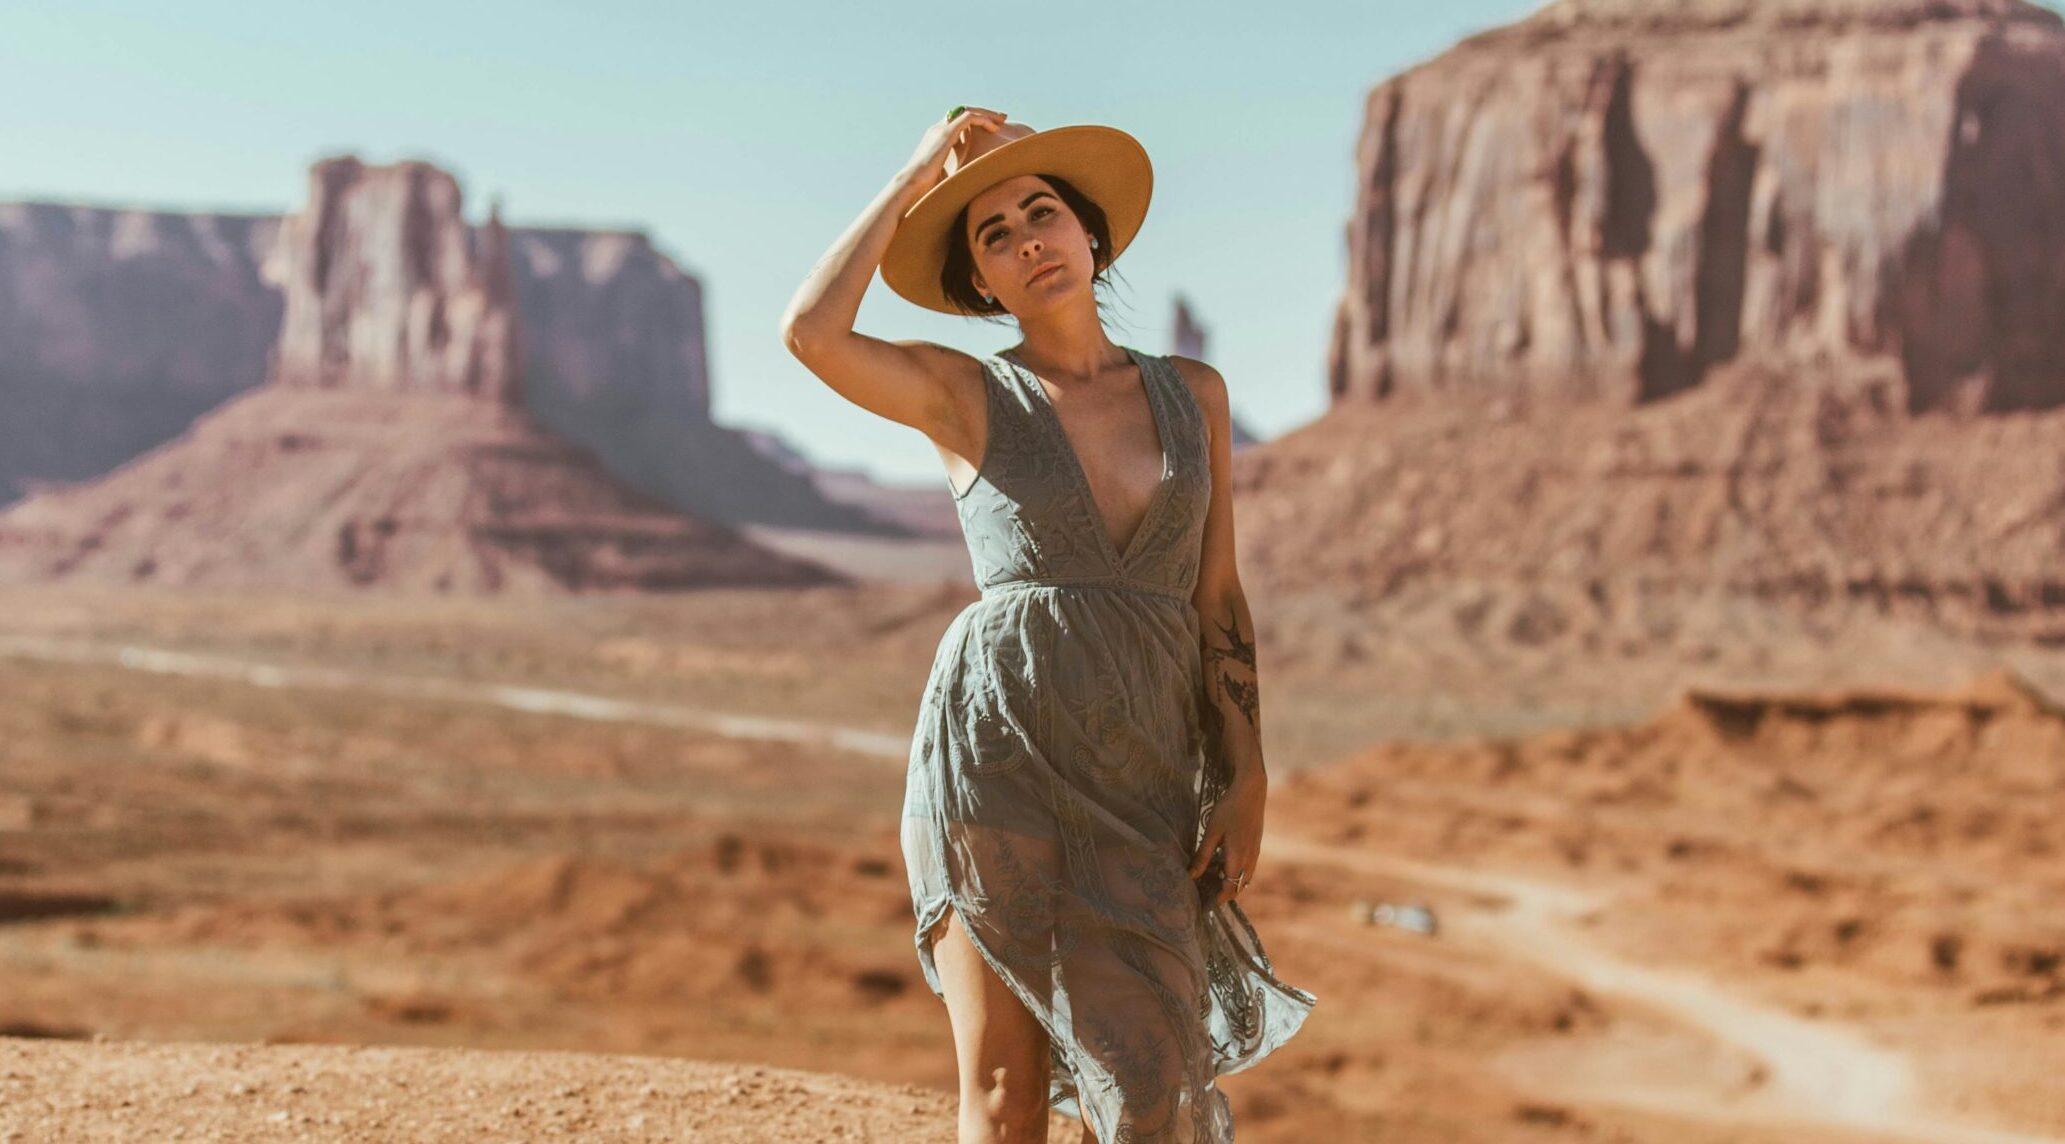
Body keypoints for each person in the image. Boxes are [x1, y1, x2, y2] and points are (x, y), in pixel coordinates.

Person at [780, 107, 1315, 1144]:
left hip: (1146, 765)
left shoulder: (1192, 393)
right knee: (1004, 1092)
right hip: (995, 758)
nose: (1027, 237)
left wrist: (1246, 771)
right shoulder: (964, 392)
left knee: (1157, 1082)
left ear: (1089, 237)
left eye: (1044, 213)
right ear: (982, 281)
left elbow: (1217, 596)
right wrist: (911, 174)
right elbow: (810, 335)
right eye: (992, 233)